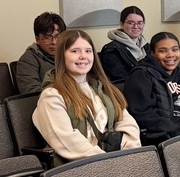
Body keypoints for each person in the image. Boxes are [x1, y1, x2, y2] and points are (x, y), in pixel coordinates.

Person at [33, 29, 141, 163]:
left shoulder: (103, 87)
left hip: (114, 160)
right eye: (75, 51)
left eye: (88, 51)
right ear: (62, 56)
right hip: (82, 168)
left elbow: (126, 121)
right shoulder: (51, 96)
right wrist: (109, 162)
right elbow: (68, 142)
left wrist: (129, 149)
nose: (83, 56)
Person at [124, 32, 180, 145]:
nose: (170, 55)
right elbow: (142, 114)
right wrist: (178, 131)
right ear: (153, 54)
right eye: (163, 51)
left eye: (174, 49)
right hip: (161, 139)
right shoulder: (141, 75)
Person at [15, 12, 65, 94]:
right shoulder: (27, 60)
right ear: (37, 39)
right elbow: (32, 94)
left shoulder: (70, 55)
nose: (54, 42)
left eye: (58, 37)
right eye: (47, 37)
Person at [99, 6, 149, 86]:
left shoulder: (147, 47)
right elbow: (120, 81)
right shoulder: (111, 50)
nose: (136, 26)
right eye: (131, 23)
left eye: (140, 23)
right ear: (122, 24)